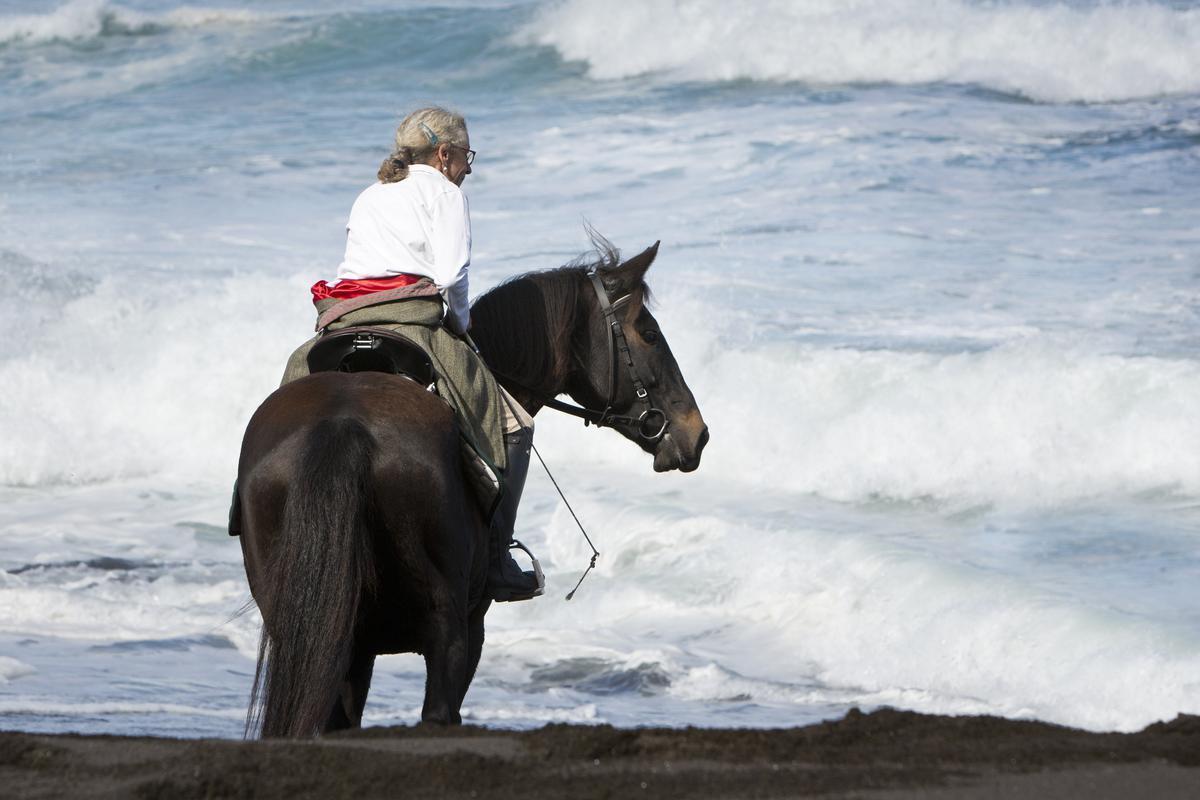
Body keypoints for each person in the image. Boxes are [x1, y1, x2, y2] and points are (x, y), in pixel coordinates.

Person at [283, 107, 542, 603]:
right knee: (516, 426)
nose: (468, 169)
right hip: (413, 323)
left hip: (343, 318)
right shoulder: (445, 193)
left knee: (291, 391)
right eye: (467, 157)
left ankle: (242, 505)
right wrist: (463, 327)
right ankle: (496, 560)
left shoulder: (371, 194)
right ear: (445, 155)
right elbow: (450, 276)